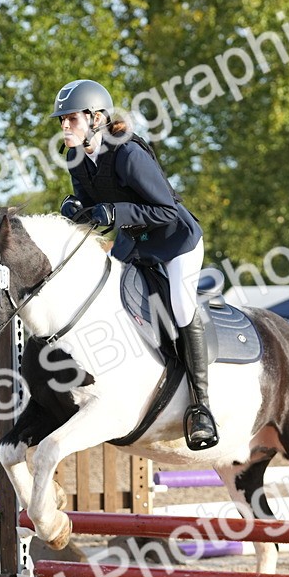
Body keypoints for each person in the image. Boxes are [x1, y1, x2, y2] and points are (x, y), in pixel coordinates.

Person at [49, 78, 218, 450]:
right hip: (134, 243)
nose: (64, 127)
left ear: (96, 118)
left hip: (175, 241)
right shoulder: (74, 156)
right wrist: (76, 211)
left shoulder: (127, 154)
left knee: (180, 306)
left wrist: (116, 211)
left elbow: (165, 209)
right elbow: (91, 206)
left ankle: (201, 407)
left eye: (70, 119)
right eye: (61, 120)